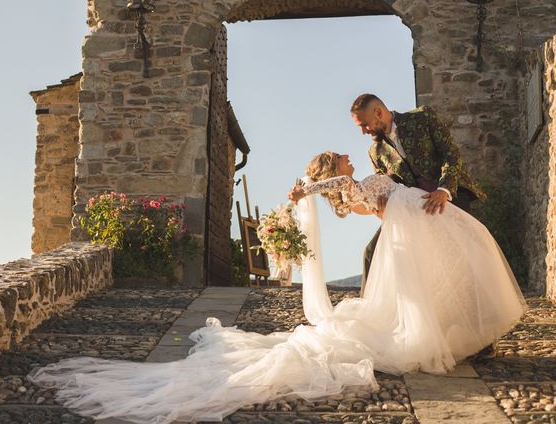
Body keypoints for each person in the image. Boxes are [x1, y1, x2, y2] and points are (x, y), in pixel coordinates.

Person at [26, 150, 525, 424]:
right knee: (411, 300)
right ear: (337, 170)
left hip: (408, 232)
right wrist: (309, 188)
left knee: (415, 294)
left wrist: (314, 188)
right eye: (342, 158)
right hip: (410, 229)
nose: (350, 157)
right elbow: (335, 188)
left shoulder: (358, 187)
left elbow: (349, 192)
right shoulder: (352, 185)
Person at [349, 94, 485, 297]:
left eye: (364, 124)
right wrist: (382, 207)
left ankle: (478, 305)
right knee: (371, 252)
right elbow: (385, 186)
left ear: (378, 112)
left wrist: (444, 190)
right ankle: (367, 310)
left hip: (450, 194)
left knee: (466, 253)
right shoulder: (375, 151)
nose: (362, 131)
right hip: (413, 207)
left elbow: (450, 153)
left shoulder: (421, 117)